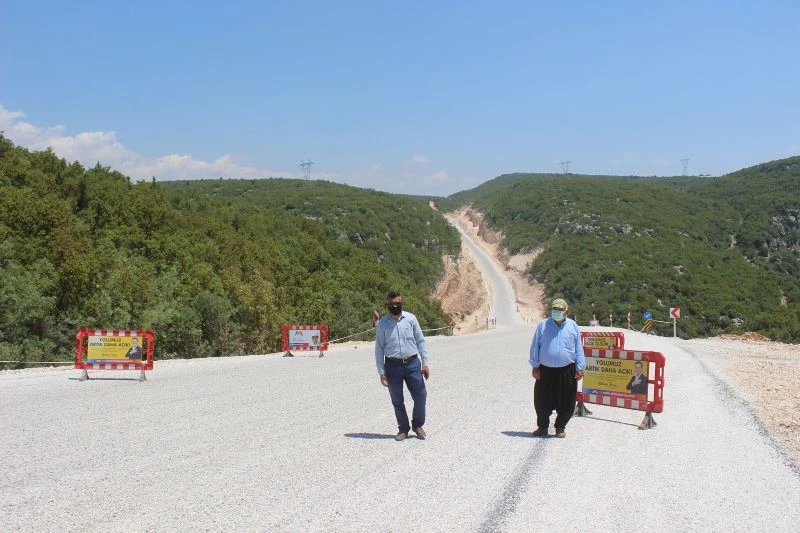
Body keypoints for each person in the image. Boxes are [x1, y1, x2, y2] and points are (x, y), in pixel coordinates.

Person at [375, 290, 431, 441]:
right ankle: (403, 429)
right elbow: (379, 348)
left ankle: (417, 425)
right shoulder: (382, 324)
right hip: (392, 366)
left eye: (397, 304)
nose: (394, 306)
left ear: (402, 304)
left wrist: (425, 362)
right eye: (392, 304)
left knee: (421, 396)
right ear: (388, 305)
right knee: (397, 400)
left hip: (413, 363)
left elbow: (420, 340)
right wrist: (381, 371)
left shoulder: (411, 319)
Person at [529, 298, 585, 438]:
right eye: (555, 309)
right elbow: (535, 346)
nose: (557, 312)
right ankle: (542, 427)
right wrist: (535, 366)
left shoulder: (573, 326)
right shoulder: (543, 325)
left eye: (560, 310)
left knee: (567, 401)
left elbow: (578, 347)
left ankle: (560, 427)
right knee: (541, 400)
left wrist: (580, 367)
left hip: (567, 370)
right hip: (545, 370)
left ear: (566, 311)